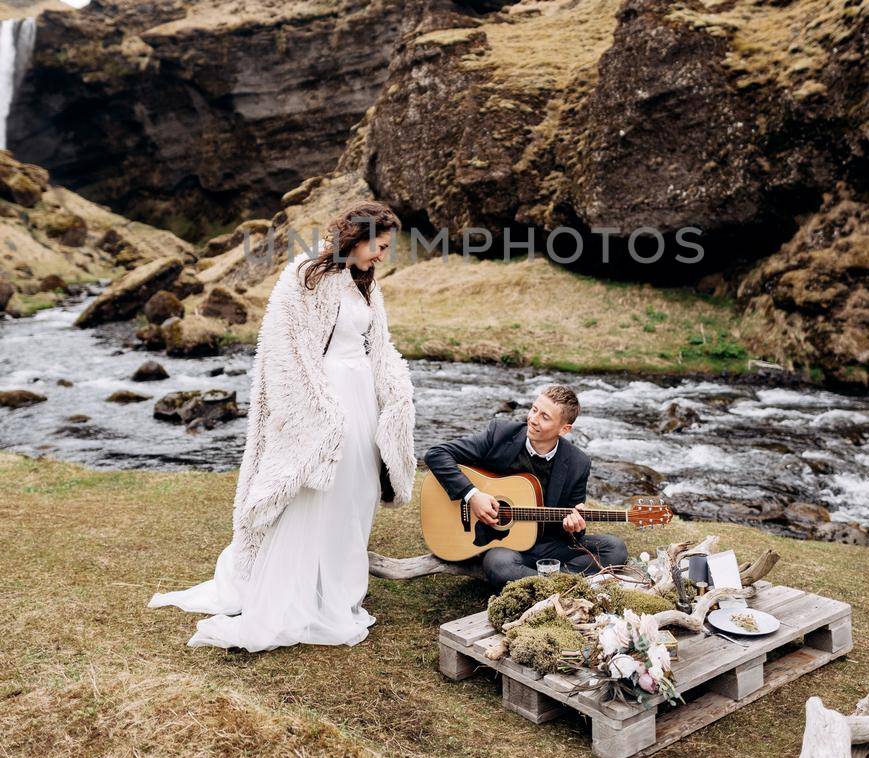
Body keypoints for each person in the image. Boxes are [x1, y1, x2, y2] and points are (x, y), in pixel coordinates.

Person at [147, 202, 416, 651]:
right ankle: (297, 599)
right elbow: (285, 349)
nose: (383, 256)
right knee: (318, 495)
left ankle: (336, 596)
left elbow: (379, 346)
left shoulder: (366, 284)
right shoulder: (305, 276)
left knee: (357, 494)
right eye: (381, 247)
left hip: (362, 397)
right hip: (325, 400)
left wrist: (396, 393)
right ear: (358, 237)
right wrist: (321, 409)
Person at [424, 385, 627, 592]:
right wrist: (472, 495)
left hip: (547, 544)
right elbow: (436, 454)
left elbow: (572, 531)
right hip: (502, 545)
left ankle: (540, 581)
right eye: (534, 409)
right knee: (499, 564)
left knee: (615, 549)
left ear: (564, 429)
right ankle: (562, 582)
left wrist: (573, 526)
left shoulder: (578, 463)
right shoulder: (500, 434)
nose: (533, 419)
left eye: (545, 417)